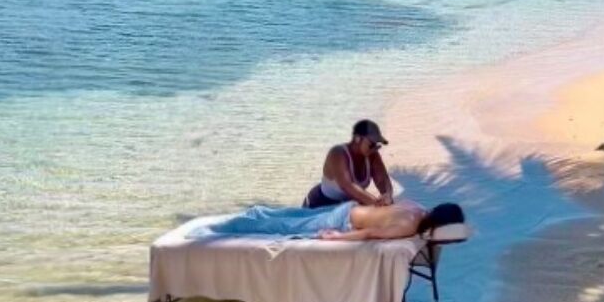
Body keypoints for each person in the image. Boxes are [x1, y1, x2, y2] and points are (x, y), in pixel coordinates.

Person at [187, 200, 465, 243]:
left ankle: (254, 212)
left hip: (349, 208)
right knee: (279, 227)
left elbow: (381, 211)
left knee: (286, 217)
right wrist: (337, 238)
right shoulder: (409, 227)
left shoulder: (416, 207)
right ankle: (214, 231)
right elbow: (370, 234)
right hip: (344, 221)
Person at [304, 119, 394, 209]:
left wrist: (387, 195)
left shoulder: (372, 155)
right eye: (371, 144)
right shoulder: (337, 153)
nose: (374, 148)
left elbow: (382, 180)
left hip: (346, 206)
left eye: (377, 145)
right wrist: (376, 204)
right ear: (357, 139)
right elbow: (348, 187)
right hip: (320, 203)